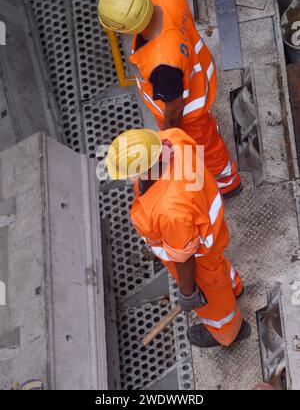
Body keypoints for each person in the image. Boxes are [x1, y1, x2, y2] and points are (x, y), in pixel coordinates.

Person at [105, 127, 251, 347]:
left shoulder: (170, 211)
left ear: (144, 169)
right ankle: (234, 287)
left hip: (198, 255)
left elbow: (184, 257)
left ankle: (228, 331)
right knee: (218, 268)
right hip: (208, 231)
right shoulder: (173, 138)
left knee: (212, 297)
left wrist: (188, 291)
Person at [99, 0, 242, 198]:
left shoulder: (162, 64)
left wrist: (167, 137)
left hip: (189, 111)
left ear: (124, 28)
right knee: (204, 134)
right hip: (198, 76)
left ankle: (227, 182)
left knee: (204, 147)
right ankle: (208, 132)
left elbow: (175, 110)